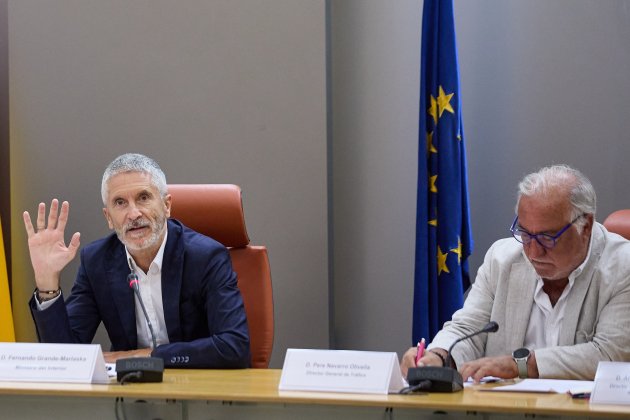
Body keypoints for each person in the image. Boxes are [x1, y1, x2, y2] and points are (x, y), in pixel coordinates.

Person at [401, 164, 630, 381]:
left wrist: (521, 365)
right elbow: (469, 328)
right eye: (525, 234)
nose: (533, 251)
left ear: (586, 226)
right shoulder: (502, 259)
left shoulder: (623, 266)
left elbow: (611, 354)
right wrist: (440, 356)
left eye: (547, 237)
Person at [24, 153, 250, 368]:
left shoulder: (206, 257)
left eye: (143, 198)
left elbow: (234, 347)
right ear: (109, 218)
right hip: (131, 398)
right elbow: (63, 357)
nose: (133, 214)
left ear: (167, 205)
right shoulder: (97, 262)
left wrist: (148, 355)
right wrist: (47, 283)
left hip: (197, 393)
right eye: (120, 203)